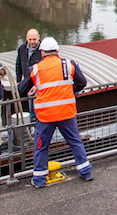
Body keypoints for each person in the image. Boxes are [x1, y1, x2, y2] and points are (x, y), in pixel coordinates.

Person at [18, 36, 93, 187]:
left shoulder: (36, 69)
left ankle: (39, 179)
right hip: (66, 113)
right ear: (57, 51)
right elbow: (82, 82)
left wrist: (36, 88)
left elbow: (21, 89)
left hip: (46, 116)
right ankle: (86, 171)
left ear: (42, 53)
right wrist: (70, 91)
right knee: (75, 141)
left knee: (41, 146)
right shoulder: (68, 64)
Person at [15, 28, 43, 122]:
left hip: (39, 84)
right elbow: (18, 64)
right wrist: (18, 80)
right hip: (27, 81)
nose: (32, 42)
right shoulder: (22, 49)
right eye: (30, 40)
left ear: (38, 38)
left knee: (36, 105)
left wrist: (36, 85)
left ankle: (37, 124)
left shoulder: (42, 51)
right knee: (29, 104)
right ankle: (31, 122)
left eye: (34, 39)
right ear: (26, 38)